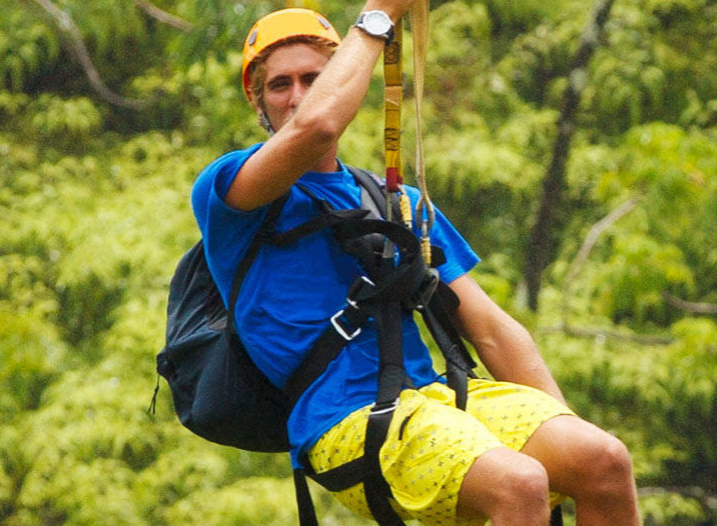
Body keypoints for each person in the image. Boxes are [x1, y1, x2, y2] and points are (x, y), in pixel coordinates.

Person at [190, 2, 641, 525]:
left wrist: (564, 436)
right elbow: (315, 127)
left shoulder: (392, 200)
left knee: (604, 460)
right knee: (519, 483)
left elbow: (490, 328)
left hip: (436, 399)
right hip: (345, 421)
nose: (298, 96)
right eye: (280, 85)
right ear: (258, 102)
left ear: (342, 80)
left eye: (315, 78)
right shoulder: (231, 192)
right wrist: (379, 14)